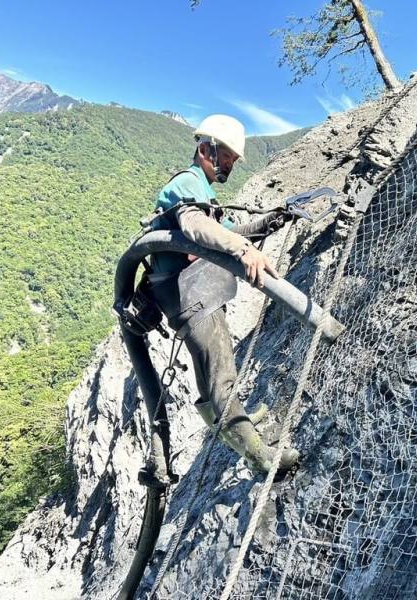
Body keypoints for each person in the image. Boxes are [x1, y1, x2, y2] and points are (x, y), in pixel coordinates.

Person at [144, 114, 300, 483]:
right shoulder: (186, 184)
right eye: (227, 155)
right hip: (189, 292)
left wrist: (271, 222)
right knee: (221, 377)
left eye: (233, 158)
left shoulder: (201, 191)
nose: (230, 163)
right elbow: (196, 227)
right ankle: (260, 456)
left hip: (188, 291)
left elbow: (226, 230)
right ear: (205, 149)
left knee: (209, 376)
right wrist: (245, 251)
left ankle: (236, 425)